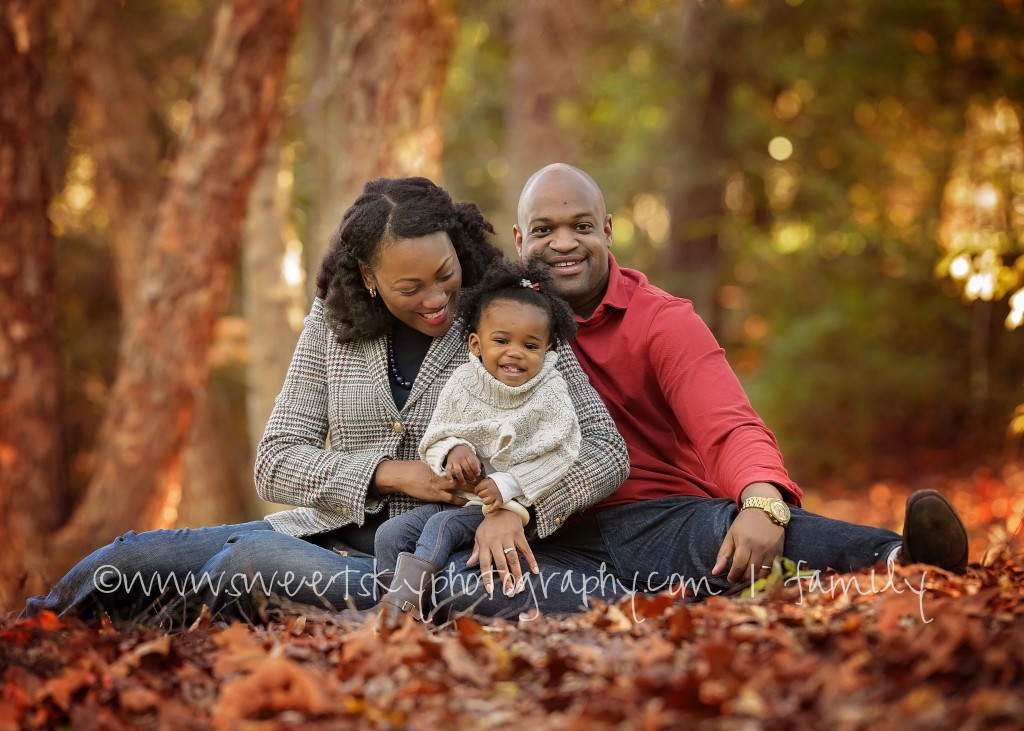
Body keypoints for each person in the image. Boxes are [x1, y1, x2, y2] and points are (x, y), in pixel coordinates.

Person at [21, 176, 630, 626]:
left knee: (244, 563)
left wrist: (514, 505)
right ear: (369, 278)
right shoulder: (332, 327)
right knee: (129, 558)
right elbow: (276, 461)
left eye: (446, 273)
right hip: (316, 531)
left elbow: (604, 451)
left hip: (422, 558)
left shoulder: (506, 321)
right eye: (408, 288)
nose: (437, 299)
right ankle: (26, 635)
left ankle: (141, 655)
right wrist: (392, 474)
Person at [505, 162, 969, 598]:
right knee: (469, 578)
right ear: (519, 238)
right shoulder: (496, 326)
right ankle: (649, 604)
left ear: (607, 231)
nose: (564, 243)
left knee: (736, 537)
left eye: (581, 227)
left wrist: (762, 502)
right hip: (550, 531)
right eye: (544, 230)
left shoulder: (662, 321)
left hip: (662, 520)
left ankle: (902, 562)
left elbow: (727, 425)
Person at [373, 259, 582, 622]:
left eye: (530, 346)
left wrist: (507, 484)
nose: (514, 352)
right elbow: (437, 433)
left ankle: (402, 613)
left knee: (441, 528)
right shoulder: (463, 383)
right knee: (390, 534)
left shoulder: (550, 391)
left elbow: (562, 451)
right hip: (460, 496)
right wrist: (454, 450)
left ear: (547, 351)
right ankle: (399, 608)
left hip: (510, 508)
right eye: (501, 341)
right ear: (476, 343)